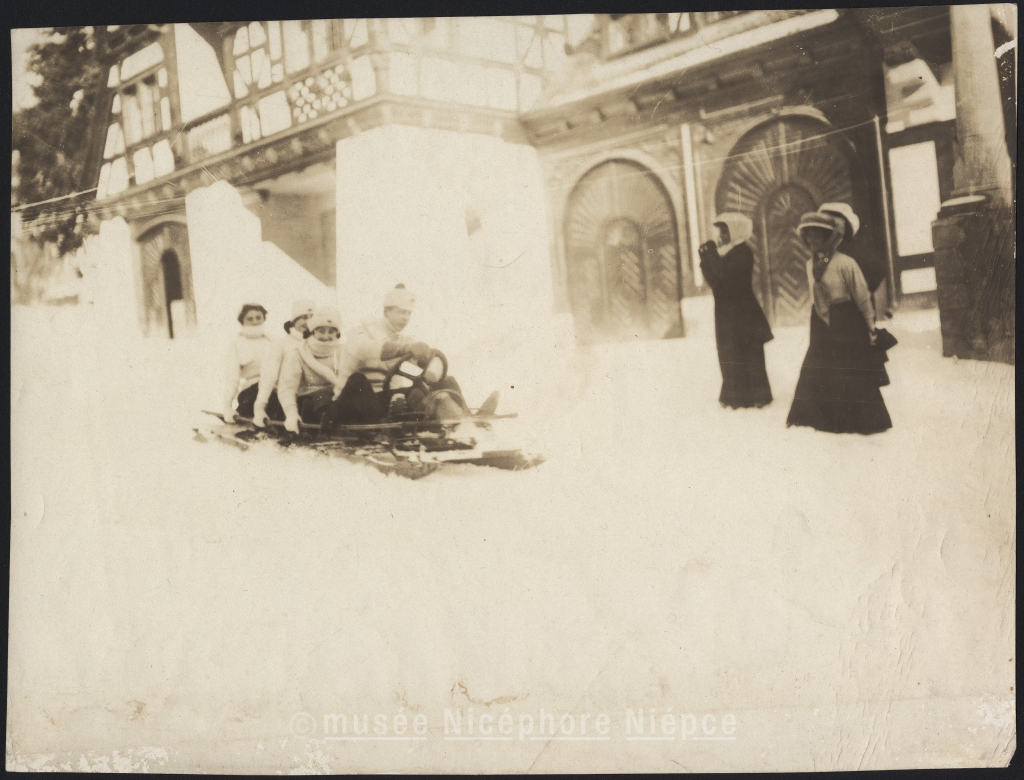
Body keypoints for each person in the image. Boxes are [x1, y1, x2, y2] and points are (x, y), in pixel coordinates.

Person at [787, 212, 892, 434]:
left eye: (817, 235)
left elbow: (862, 296)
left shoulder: (845, 262)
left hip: (846, 322)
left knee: (849, 370)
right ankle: (818, 419)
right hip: (821, 323)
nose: (812, 240)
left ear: (828, 237)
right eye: (809, 236)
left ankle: (857, 422)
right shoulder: (810, 264)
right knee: (817, 368)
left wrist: (870, 325)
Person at [345, 284, 494, 420]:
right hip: (367, 398)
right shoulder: (363, 332)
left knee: (446, 381)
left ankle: (468, 419)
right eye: (401, 312)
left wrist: (428, 367)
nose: (405, 318)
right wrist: (402, 349)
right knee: (360, 382)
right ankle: (388, 421)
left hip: (394, 397)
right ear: (386, 311)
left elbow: (421, 366)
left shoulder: (404, 339)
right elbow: (365, 348)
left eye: (409, 313)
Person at [697, 213, 774, 409]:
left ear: (736, 231)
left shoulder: (742, 251)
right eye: (720, 232)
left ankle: (758, 395)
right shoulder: (724, 253)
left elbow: (724, 274)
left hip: (743, 310)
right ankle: (735, 396)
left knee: (749, 353)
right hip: (726, 310)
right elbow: (716, 283)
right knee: (729, 352)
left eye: (725, 231)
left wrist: (710, 253)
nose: (721, 236)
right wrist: (704, 260)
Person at [277, 306, 385, 434]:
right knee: (321, 399)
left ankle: (376, 422)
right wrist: (291, 414)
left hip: (337, 398)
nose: (326, 336)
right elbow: (287, 388)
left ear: (337, 333)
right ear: (312, 331)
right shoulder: (298, 353)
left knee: (358, 378)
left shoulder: (342, 351)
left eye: (331, 331)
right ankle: (328, 416)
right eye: (321, 331)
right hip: (311, 402)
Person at [251, 299, 314, 428]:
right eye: (303, 317)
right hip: (284, 398)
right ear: (294, 321)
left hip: (311, 397)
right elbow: (269, 376)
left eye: (312, 318)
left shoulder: (318, 344)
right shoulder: (281, 344)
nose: (308, 322)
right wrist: (260, 407)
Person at [222, 303, 271, 423]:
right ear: (242, 321)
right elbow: (232, 379)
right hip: (251, 390)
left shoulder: (273, 342)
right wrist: (227, 406)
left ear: (264, 319)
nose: (255, 322)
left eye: (258, 317)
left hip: (274, 387)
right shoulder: (236, 345)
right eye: (250, 319)